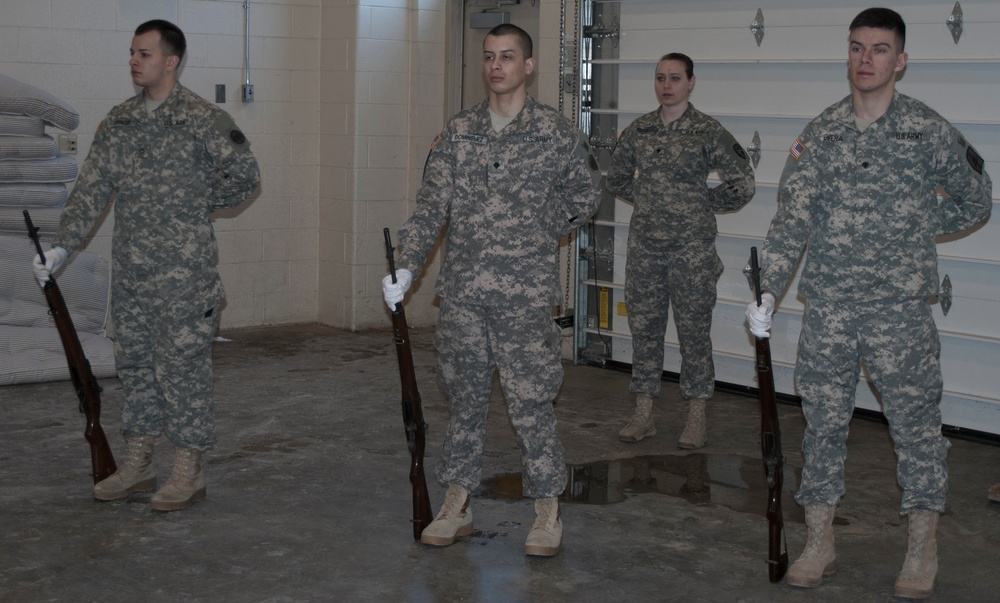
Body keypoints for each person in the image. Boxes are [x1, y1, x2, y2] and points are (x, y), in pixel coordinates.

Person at [744, 8, 991, 598]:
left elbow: (975, 198)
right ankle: (820, 542)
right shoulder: (821, 133)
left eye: (880, 50)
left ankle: (921, 547)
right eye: (857, 48)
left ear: (900, 60)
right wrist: (770, 289)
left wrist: (916, 224)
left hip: (899, 310)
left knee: (916, 431)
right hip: (829, 307)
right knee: (822, 427)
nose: (866, 59)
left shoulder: (927, 130)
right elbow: (791, 221)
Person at [381, 23, 601, 557]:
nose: (496, 65)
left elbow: (587, 191)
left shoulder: (555, 132)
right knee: (464, 402)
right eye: (488, 57)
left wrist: (541, 225)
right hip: (463, 295)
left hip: (524, 296)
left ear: (529, 66)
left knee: (531, 402)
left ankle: (547, 508)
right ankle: (457, 502)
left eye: (507, 57)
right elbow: (432, 203)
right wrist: (406, 266)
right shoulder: (459, 132)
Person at [33, 19, 261, 512]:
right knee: (135, 369)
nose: (134, 61)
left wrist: (196, 203)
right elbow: (92, 187)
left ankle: (188, 468)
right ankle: (139, 463)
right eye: (132, 53)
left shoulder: (204, 118)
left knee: (183, 372)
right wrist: (62, 246)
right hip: (133, 275)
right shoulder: (119, 122)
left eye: (145, 53)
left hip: (184, 276)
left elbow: (246, 176)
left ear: (171, 60)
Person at [606, 53, 755, 448]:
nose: (666, 85)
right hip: (646, 250)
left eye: (675, 78)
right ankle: (643, 414)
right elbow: (617, 177)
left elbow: (743, 183)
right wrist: (653, 198)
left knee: (693, 332)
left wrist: (701, 202)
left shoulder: (707, 131)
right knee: (645, 330)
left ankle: (696, 415)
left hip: (692, 250)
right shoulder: (639, 130)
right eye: (660, 78)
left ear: (691, 82)